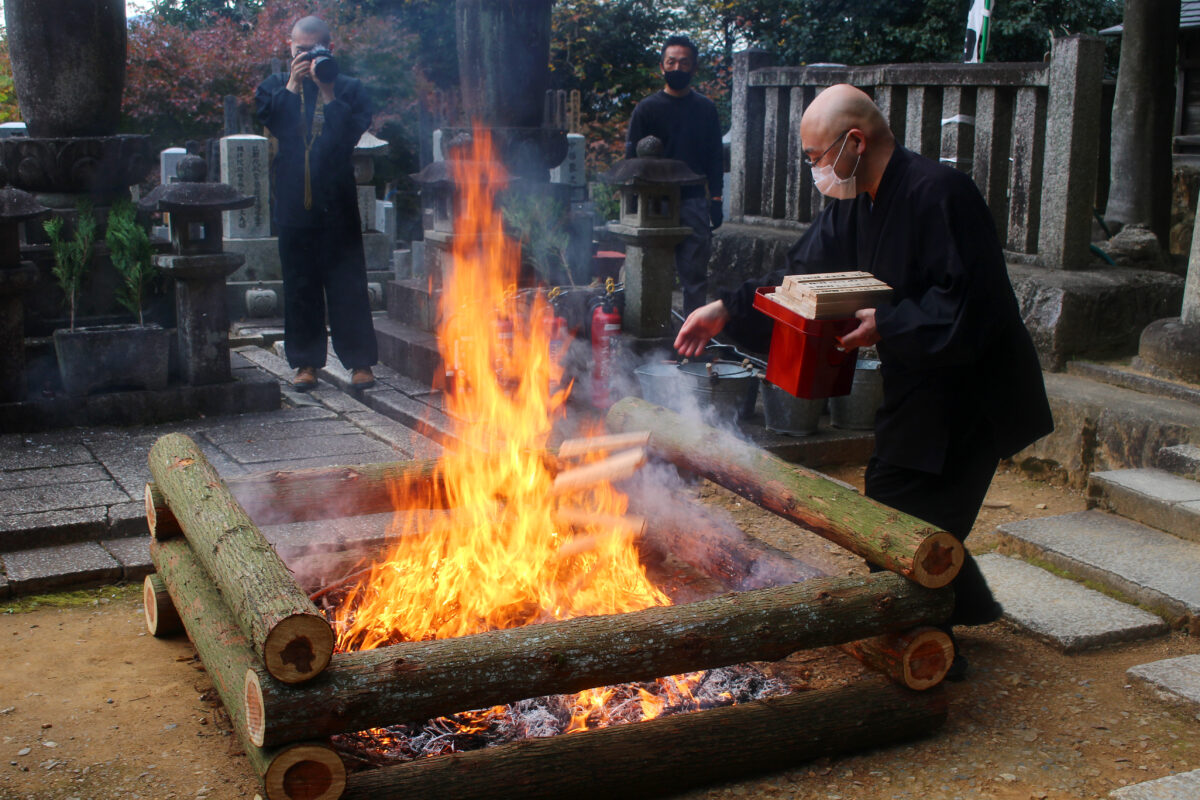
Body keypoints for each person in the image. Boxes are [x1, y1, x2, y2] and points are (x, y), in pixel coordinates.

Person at [675, 84, 1053, 679]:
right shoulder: (855, 203)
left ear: (855, 142)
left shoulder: (941, 193)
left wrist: (891, 321)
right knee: (893, 501)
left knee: (905, 510)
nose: (814, 170)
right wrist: (726, 307)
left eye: (815, 157)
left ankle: (930, 647)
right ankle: (958, 610)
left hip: (973, 389)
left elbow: (972, 306)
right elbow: (800, 277)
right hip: (920, 380)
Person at [256, 15, 378, 390]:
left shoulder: (350, 88)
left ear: (330, 48)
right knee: (300, 284)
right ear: (288, 47)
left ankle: (359, 363)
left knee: (348, 283)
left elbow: (347, 136)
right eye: (300, 50)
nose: (308, 57)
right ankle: (305, 364)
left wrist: (328, 91)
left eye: (315, 50)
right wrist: (294, 83)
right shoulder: (275, 86)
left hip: (337, 200)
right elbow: (275, 123)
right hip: (293, 200)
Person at [625, 35, 725, 314]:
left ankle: (690, 340)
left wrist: (716, 199)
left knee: (694, 275)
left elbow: (715, 157)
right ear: (662, 67)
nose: (677, 68)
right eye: (672, 62)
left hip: (693, 198)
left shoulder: (705, 109)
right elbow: (631, 158)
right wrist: (633, 199)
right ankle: (652, 337)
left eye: (684, 63)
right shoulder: (647, 109)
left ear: (694, 68)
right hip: (654, 201)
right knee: (652, 271)